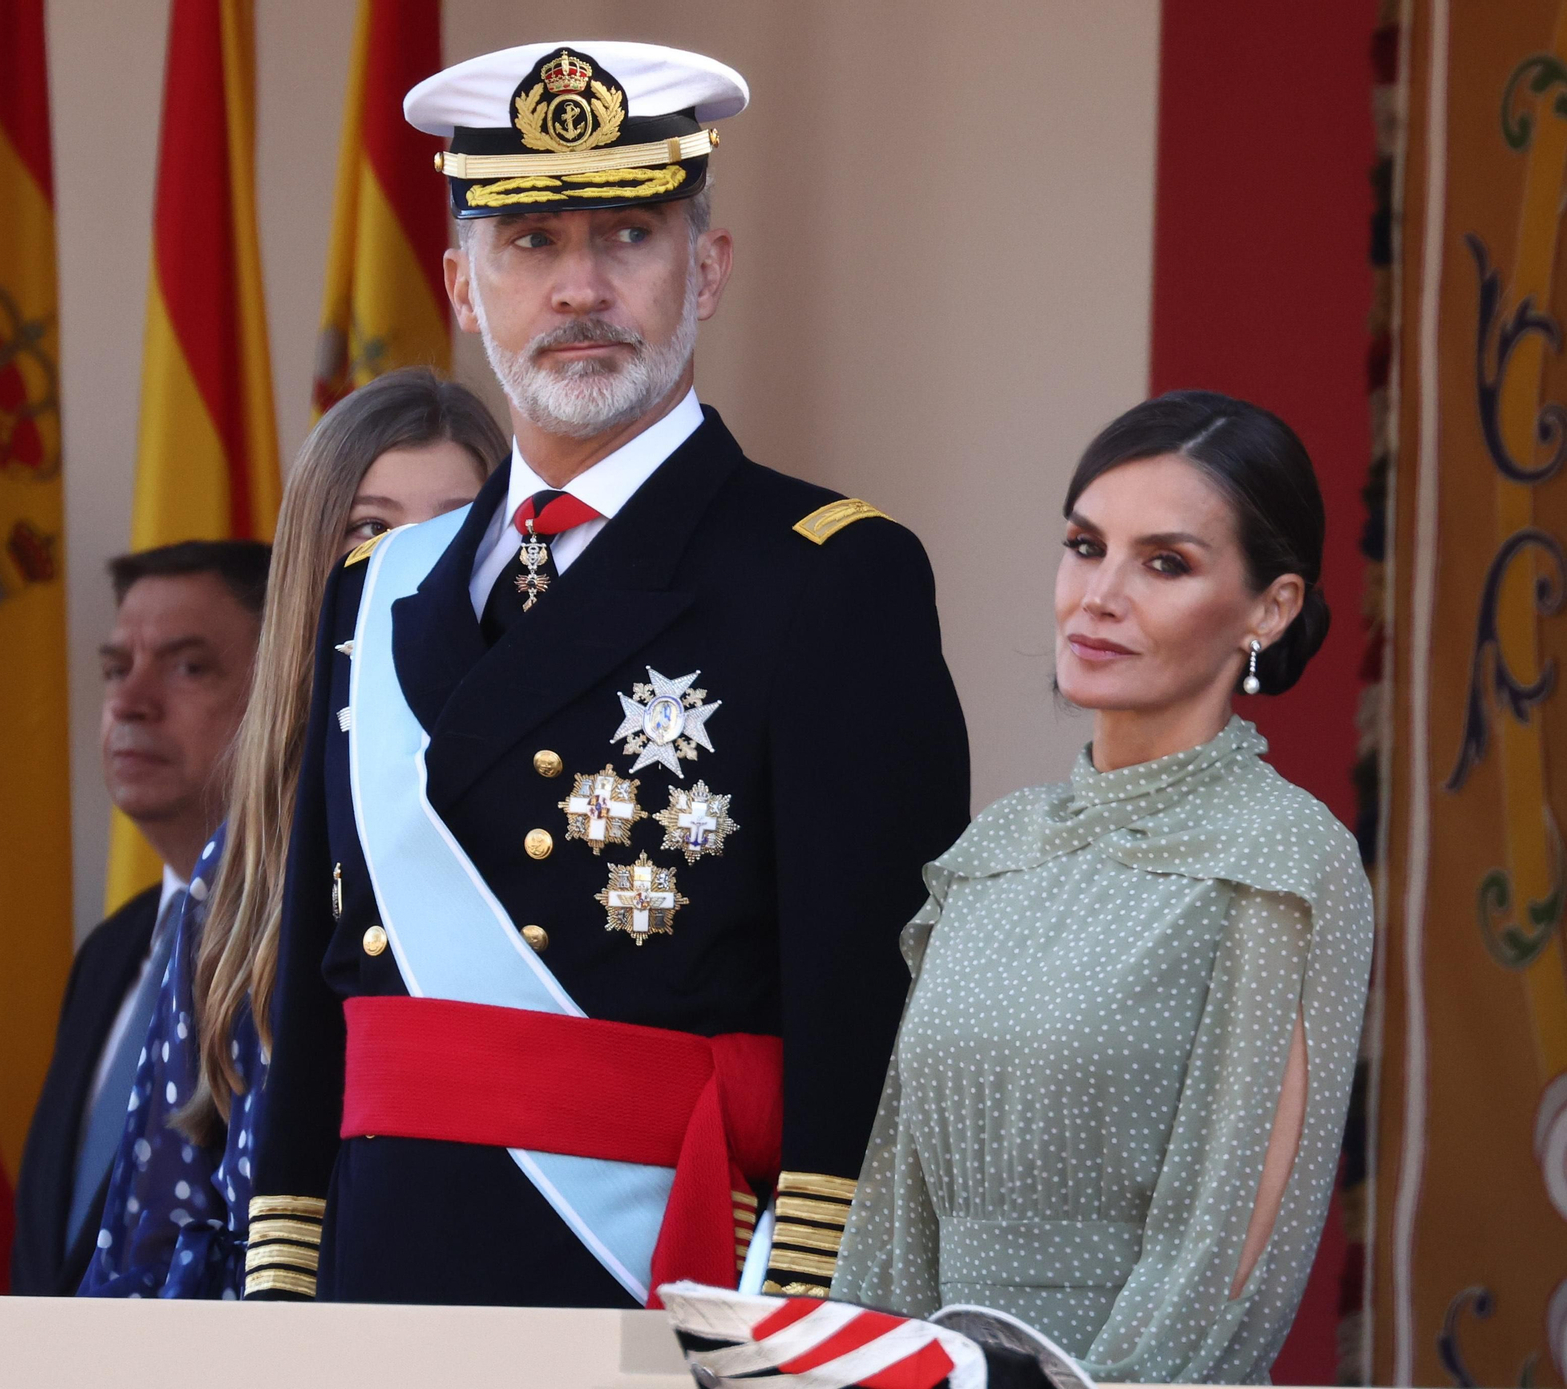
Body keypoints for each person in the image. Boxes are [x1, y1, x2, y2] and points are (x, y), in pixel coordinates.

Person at [247, 41, 969, 1307]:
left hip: (663, 1276)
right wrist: (286, 1272)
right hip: (382, 1271)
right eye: (529, 246)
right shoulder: (378, 584)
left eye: (627, 236)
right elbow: (322, 1000)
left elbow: (868, 998)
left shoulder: (827, 579)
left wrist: (800, 1301)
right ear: (462, 285)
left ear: (709, 266)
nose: (579, 288)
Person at [830, 390, 1374, 1385]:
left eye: (1165, 563)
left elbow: (1230, 1255)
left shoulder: (1282, 856)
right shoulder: (997, 847)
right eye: (1086, 546)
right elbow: (893, 1217)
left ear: (1271, 607)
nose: (1100, 595)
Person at [77, 370, 505, 1298]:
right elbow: (158, 1231)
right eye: (369, 527)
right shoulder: (236, 865)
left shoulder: (557, 828)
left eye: (457, 520)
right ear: (314, 557)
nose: (414, 558)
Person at [11, 541, 269, 1295]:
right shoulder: (109, 952)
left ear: (284, 684)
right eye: (116, 669)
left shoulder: (310, 943)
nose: (131, 701)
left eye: (188, 666)